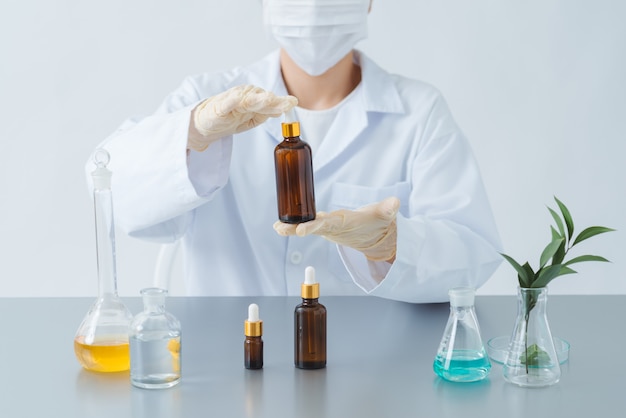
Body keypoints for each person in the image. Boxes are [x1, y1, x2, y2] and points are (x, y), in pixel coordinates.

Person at [87, 0, 502, 303]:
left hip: (372, 378)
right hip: (231, 368)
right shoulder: (205, 98)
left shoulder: (419, 112)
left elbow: (473, 256)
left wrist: (390, 244)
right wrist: (192, 133)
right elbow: (112, 192)